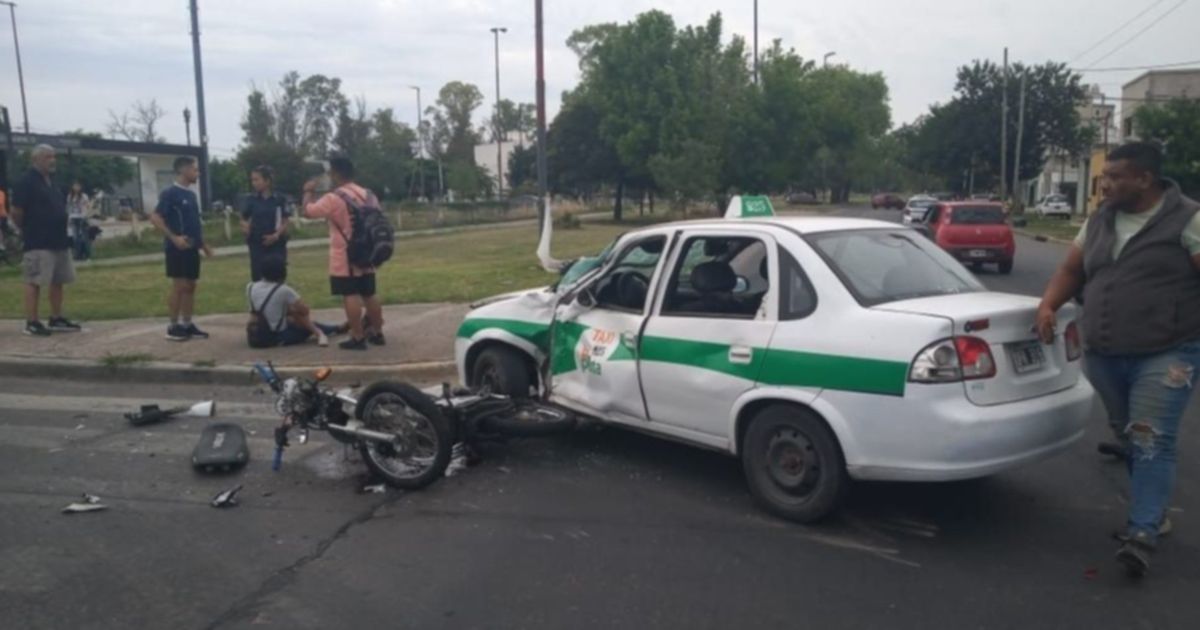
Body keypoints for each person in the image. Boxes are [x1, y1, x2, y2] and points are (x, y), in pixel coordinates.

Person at [1037, 142, 1200, 577]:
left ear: (1144, 179)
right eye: (1103, 177)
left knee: (1150, 437)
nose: (1104, 184)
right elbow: (1072, 270)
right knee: (1127, 432)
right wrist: (1048, 306)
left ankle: (1143, 530)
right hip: (1107, 350)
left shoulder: (1188, 218)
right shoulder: (1100, 220)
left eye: (1114, 177)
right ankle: (1154, 509)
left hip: (1167, 351)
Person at [302, 156, 385, 351]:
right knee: (369, 293)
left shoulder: (334, 197)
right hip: (368, 252)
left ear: (336, 173)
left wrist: (307, 191)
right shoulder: (368, 194)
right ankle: (377, 331)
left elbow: (308, 211)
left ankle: (357, 335)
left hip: (345, 254)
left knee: (350, 294)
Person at [10, 144, 81, 336]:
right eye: (48, 157)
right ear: (36, 159)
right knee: (34, 280)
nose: (52, 160)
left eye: (53, 156)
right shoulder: (26, 182)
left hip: (58, 239)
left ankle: (56, 317)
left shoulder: (51, 182)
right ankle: (32, 321)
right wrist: (25, 229)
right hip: (38, 240)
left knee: (58, 280)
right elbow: (17, 211)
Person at [149, 156, 213, 342]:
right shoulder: (170, 193)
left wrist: (203, 245)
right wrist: (174, 238)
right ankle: (173, 325)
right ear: (184, 170)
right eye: (194, 169)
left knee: (191, 286)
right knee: (179, 286)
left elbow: (194, 224)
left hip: (192, 247)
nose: (197, 173)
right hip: (176, 248)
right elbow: (156, 217)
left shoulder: (192, 195)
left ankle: (187, 324)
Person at [246, 254, 344, 347]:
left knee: (293, 316)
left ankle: (336, 328)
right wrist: (292, 310)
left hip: (257, 334)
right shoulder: (283, 289)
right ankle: (333, 329)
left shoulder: (250, 286)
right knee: (304, 323)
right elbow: (305, 310)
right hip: (277, 336)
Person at [240, 165, 290, 281]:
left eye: (257, 179)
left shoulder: (279, 199)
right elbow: (243, 218)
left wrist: (276, 235)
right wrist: (245, 227)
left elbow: (286, 221)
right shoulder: (251, 200)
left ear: (267, 181)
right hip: (257, 244)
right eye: (252, 180)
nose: (254, 183)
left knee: (277, 276)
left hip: (276, 244)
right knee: (258, 276)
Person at [66, 181, 92, 261]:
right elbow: (68, 208)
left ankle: (87, 255)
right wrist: (68, 218)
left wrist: (86, 214)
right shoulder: (70, 196)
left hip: (82, 217)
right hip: (73, 217)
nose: (76, 188)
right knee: (75, 238)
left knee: (84, 237)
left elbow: (88, 206)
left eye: (78, 186)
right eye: (75, 186)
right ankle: (78, 255)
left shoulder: (84, 196)